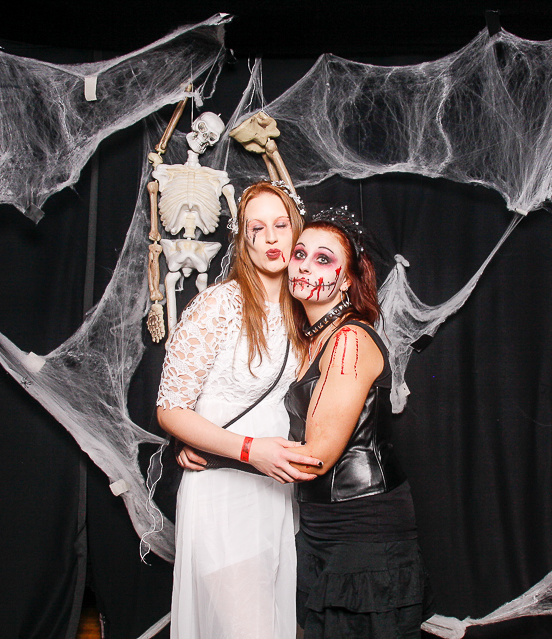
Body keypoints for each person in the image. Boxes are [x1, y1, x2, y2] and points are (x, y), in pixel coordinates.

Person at [156, 180, 323, 639]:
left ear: (297, 230)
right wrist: (246, 449)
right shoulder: (218, 305)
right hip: (224, 495)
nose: (270, 238)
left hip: (276, 496)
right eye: (257, 229)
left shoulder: (305, 313)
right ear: (243, 240)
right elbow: (171, 409)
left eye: (281, 225)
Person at [284, 210, 433, 639]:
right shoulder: (311, 341)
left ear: (348, 280)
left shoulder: (349, 339)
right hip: (320, 525)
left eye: (324, 259)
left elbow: (316, 456)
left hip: (362, 527)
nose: (305, 265)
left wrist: (220, 455)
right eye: (300, 254)